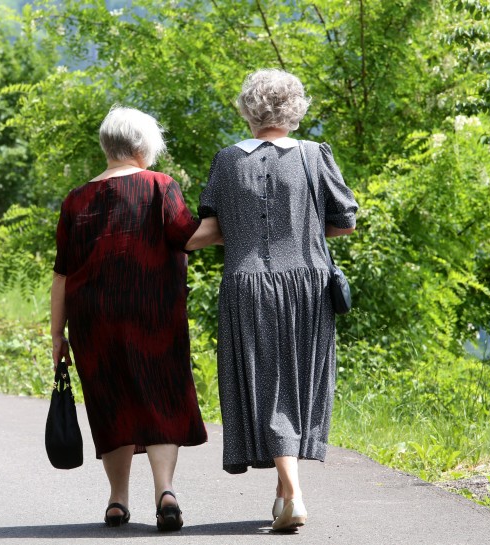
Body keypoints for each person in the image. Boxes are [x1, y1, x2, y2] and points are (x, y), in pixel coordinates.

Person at [198, 69, 358, 531]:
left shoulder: (227, 161)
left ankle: (292, 493)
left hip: (246, 283)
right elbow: (344, 221)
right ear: (295, 109)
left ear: (248, 109)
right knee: (295, 386)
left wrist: (170, 239)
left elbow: (211, 227)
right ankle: (288, 493)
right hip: (308, 284)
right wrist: (302, 230)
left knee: (265, 386)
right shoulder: (314, 155)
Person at [50, 106, 221, 531]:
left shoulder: (75, 200)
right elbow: (189, 236)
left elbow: (61, 274)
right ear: (143, 146)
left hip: (93, 317)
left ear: (107, 146)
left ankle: (117, 501)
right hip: (153, 312)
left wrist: (57, 334)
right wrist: (230, 221)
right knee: (160, 393)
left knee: (111, 401)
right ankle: (165, 491)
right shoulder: (160, 186)